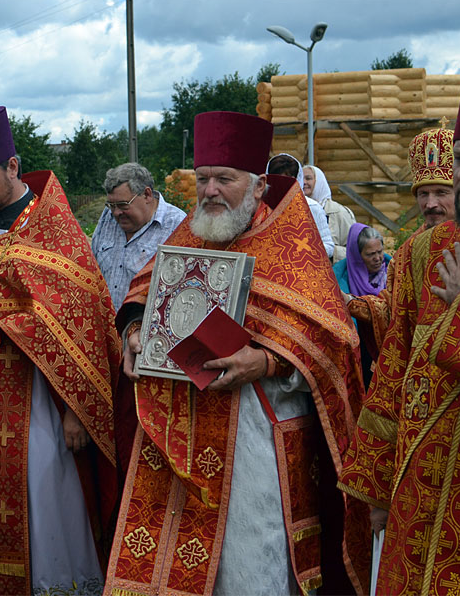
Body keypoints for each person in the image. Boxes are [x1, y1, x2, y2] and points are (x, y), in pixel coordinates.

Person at [104, 111, 371, 596]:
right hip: (182, 431)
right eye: (203, 178)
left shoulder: (291, 243)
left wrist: (266, 361)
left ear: (258, 185)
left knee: (252, 562)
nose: (210, 191)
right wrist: (134, 331)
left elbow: (334, 341)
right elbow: (143, 291)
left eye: (224, 179)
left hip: (257, 433)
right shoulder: (195, 230)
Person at [339, 63, 460, 595]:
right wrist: (375, 485)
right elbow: (394, 369)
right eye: (459, 158)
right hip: (418, 495)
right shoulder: (423, 251)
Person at [0, 106, 121, 596]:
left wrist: (77, 410)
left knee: (42, 497)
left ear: (13, 166)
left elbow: (81, 321)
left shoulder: (54, 226)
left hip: (36, 397)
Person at [344, 124, 456, 360]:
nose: (430, 204)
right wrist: (350, 302)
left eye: (441, 192)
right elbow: (392, 310)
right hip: (418, 365)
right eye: (423, 194)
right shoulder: (408, 251)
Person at [92, 162, 186, 311]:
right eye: (111, 205)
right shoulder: (107, 217)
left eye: (123, 205)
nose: (116, 212)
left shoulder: (177, 226)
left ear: (147, 195)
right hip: (106, 323)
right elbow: (93, 266)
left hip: (145, 324)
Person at [333, 223, 391, 388]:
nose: (378, 258)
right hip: (360, 344)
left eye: (379, 252)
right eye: (370, 254)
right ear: (357, 256)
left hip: (388, 343)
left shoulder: (393, 271)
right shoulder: (340, 278)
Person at [267, 153, 335, 259]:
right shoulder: (260, 207)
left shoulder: (311, 207)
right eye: (277, 180)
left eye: (288, 180)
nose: (282, 185)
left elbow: (328, 246)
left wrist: (302, 250)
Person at [303, 165, 356, 262]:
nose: (304, 182)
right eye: (301, 178)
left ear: (319, 181)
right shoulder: (296, 211)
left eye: (308, 178)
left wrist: (330, 250)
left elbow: (354, 250)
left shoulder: (339, 212)